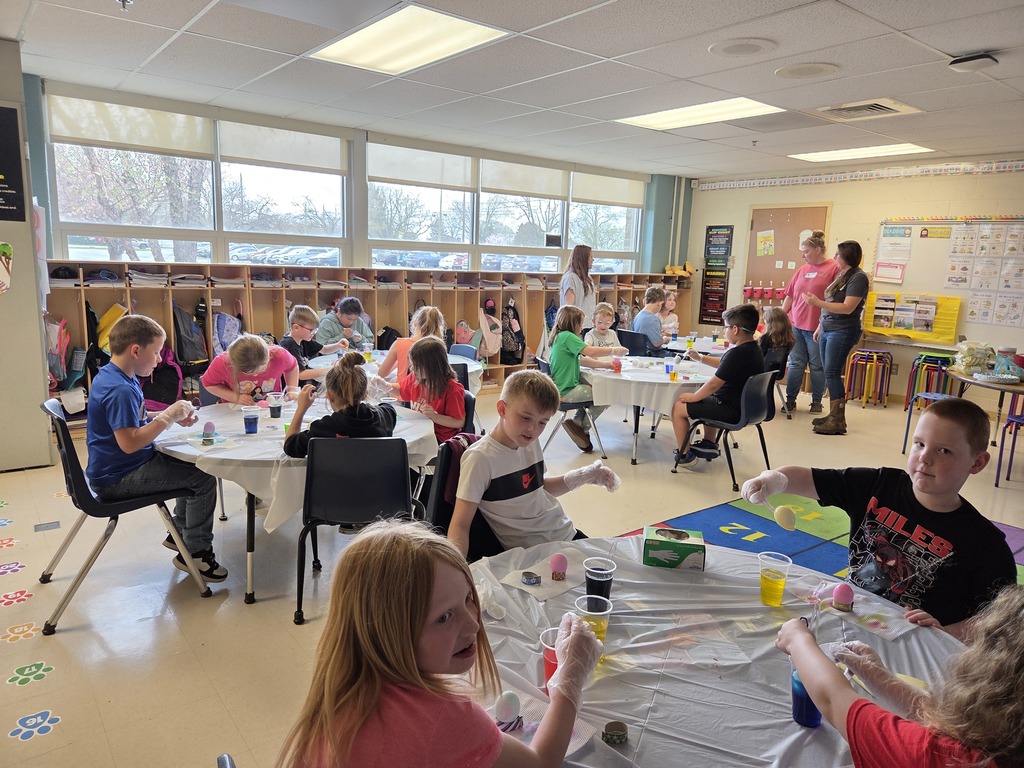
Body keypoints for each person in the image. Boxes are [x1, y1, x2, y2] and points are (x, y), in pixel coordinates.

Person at [275, 520, 604, 768]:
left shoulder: (344, 687)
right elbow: (540, 763)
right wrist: (569, 679)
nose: (474, 624)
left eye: (468, 598)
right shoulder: (442, 716)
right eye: (444, 617)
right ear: (389, 631)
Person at [742, 397, 1016, 642]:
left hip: (915, 646)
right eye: (919, 444)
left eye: (944, 451)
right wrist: (770, 481)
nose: (924, 458)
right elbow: (807, 479)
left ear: (977, 463)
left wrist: (944, 633)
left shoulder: (985, 545)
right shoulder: (878, 484)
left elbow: (1000, 621)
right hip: (848, 620)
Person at [775, 583, 1024, 768]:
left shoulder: (949, 758)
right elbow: (944, 719)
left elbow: (836, 701)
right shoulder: (1001, 743)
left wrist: (798, 639)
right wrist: (879, 676)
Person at [85, 315, 226, 581]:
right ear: (135, 351)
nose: (160, 359)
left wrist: (168, 416)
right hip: (117, 477)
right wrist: (166, 417)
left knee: (193, 464)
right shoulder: (120, 389)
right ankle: (196, 553)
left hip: (113, 468)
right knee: (203, 478)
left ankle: (180, 534)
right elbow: (130, 443)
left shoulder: (113, 376)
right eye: (157, 352)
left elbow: (131, 420)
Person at [449, 370, 620, 557]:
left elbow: (538, 489)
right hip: (534, 552)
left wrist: (583, 476)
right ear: (502, 409)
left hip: (564, 532)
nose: (533, 429)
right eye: (525, 418)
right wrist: (457, 567)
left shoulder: (529, 442)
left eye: (543, 422)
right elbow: (460, 524)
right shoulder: (480, 459)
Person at [671, 303, 764, 469]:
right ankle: (708, 443)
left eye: (725, 327)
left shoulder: (737, 353)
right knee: (708, 397)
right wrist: (700, 358)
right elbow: (724, 364)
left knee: (679, 407)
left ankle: (685, 456)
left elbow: (714, 384)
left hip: (731, 410)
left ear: (735, 329)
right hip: (749, 408)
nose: (724, 331)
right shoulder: (753, 349)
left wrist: (694, 397)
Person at [802, 240, 869, 435]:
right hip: (828, 328)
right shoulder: (842, 275)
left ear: (846, 256)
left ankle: (838, 420)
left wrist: (817, 303)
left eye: (837, 254)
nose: (834, 257)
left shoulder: (858, 277)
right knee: (828, 371)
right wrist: (820, 326)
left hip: (843, 330)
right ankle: (833, 414)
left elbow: (847, 308)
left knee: (832, 372)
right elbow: (831, 303)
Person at [283, 351, 397, 458]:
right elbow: (387, 407)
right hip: (378, 473)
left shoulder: (324, 428)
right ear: (365, 394)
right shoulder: (385, 416)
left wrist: (301, 409)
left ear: (330, 395)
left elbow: (290, 446)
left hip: (332, 474)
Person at [548, 305, 626, 453]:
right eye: (581, 323)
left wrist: (606, 365)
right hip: (566, 392)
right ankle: (583, 427)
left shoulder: (560, 336)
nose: (582, 327)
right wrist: (614, 350)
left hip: (560, 387)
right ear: (573, 323)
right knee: (606, 394)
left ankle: (578, 422)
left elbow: (581, 360)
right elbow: (590, 351)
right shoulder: (568, 336)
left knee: (599, 390)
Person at [781, 230, 841, 415]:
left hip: (817, 327)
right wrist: (780, 318)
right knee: (796, 363)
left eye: (806, 251)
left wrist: (822, 325)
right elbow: (790, 295)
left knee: (817, 366)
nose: (803, 255)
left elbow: (836, 300)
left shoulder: (833, 268)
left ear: (817, 250)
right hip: (796, 325)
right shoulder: (802, 269)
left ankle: (816, 401)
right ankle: (790, 400)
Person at [388, 336, 465, 443]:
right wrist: (385, 386)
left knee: (399, 445)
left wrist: (435, 416)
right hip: (419, 430)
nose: (412, 369)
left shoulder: (452, 389)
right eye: (412, 365)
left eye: (416, 366)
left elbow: (459, 422)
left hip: (439, 438)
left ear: (431, 367)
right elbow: (401, 391)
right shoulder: (416, 378)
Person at [201, 333, 299, 404]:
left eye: (261, 369)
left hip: (271, 406)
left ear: (268, 357)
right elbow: (209, 384)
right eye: (249, 373)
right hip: (235, 409)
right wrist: (235, 397)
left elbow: (292, 367)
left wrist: (292, 389)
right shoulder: (223, 362)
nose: (256, 375)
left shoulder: (279, 355)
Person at [280, 305, 349, 382]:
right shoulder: (289, 344)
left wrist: (338, 345)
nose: (313, 333)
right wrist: (329, 370)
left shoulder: (304, 339)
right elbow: (300, 374)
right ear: (296, 328)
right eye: (311, 330)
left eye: (315, 330)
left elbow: (324, 349)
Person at [377, 304, 446, 382]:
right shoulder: (439, 347)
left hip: (402, 388)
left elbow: (381, 373)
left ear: (415, 322)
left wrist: (399, 360)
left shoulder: (400, 344)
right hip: (430, 389)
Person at [759, 305, 795, 397]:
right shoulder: (788, 339)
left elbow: (759, 356)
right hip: (776, 372)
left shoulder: (766, 338)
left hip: (761, 372)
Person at [559, 243, 596, 320]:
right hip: (577, 323)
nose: (593, 260)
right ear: (584, 259)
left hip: (588, 323)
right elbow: (569, 308)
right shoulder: (571, 278)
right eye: (591, 257)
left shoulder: (587, 278)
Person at [632, 286, 670, 356]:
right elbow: (657, 343)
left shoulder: (637, 316)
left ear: (644, 301)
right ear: (660, 303)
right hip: (652, 354)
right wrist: (665, 339)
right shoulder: (653, 319)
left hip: (639, 353)